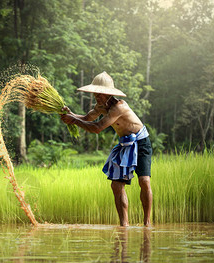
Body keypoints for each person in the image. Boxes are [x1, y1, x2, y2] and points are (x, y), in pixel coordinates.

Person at [60, 71, 153, 227]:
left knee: (144, 181)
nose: (98, 96)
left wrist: (73, 121)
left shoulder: (119, 107)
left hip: (141, 142)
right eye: (96, 93)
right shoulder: (99, 107)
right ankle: (124, 225)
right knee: (116, 185)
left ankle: (147, 223)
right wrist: (71, 115)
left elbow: (97, 127)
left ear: (109, 94)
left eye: (101, 93)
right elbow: (87, 118)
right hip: (125, 144)